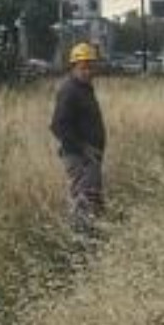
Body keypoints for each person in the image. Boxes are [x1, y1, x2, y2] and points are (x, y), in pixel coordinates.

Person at [50, 42, 107, 234]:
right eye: (83, 67)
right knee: (82, 200)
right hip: (79, 157)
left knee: (92, 198)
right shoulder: (70, 90)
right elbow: (58, 126)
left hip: (89, 157)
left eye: (91, 66)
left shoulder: (84, 87)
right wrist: (84, 148)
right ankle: (81, 243)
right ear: (74, 67)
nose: (88, 71)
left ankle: (92, 238)